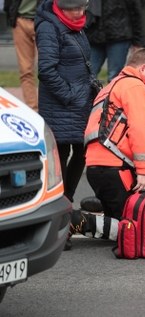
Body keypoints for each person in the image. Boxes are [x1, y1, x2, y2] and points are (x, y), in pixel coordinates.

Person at [68, 48, 145, 243]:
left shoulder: (111, 87)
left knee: (119, 227)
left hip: (97, 169)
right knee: (134, 234)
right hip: (116, 170)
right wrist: (142, 172)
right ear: (143, 68)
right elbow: (139, 129)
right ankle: (76, 220)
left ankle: (101, 210)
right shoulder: (134, 86)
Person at [35, 0, 93, 206]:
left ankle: (67, 199)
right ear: (60, 7)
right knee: (62, 153)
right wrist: (69, 95)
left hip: (78, 102)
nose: (79, 13)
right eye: (74, 9)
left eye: (82, 8)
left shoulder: (74, 25)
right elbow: (46, 70)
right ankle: (61, 203)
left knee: (82, 150)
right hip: (61, 104)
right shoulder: (49, 27)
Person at [85, 0, 145, 83]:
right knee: (88, 74)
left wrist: (138, 41)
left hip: (119, 35)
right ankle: (89, 95)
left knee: (114, 76)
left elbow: (135, 11)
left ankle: (112, 95)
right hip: (95, 35)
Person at [4, 0, 41, 111]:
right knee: (26, 70)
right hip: (20, 21)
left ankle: (48, 109)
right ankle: (33, 109)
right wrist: (11, 14)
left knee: (48, 69)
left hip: (42, 22)